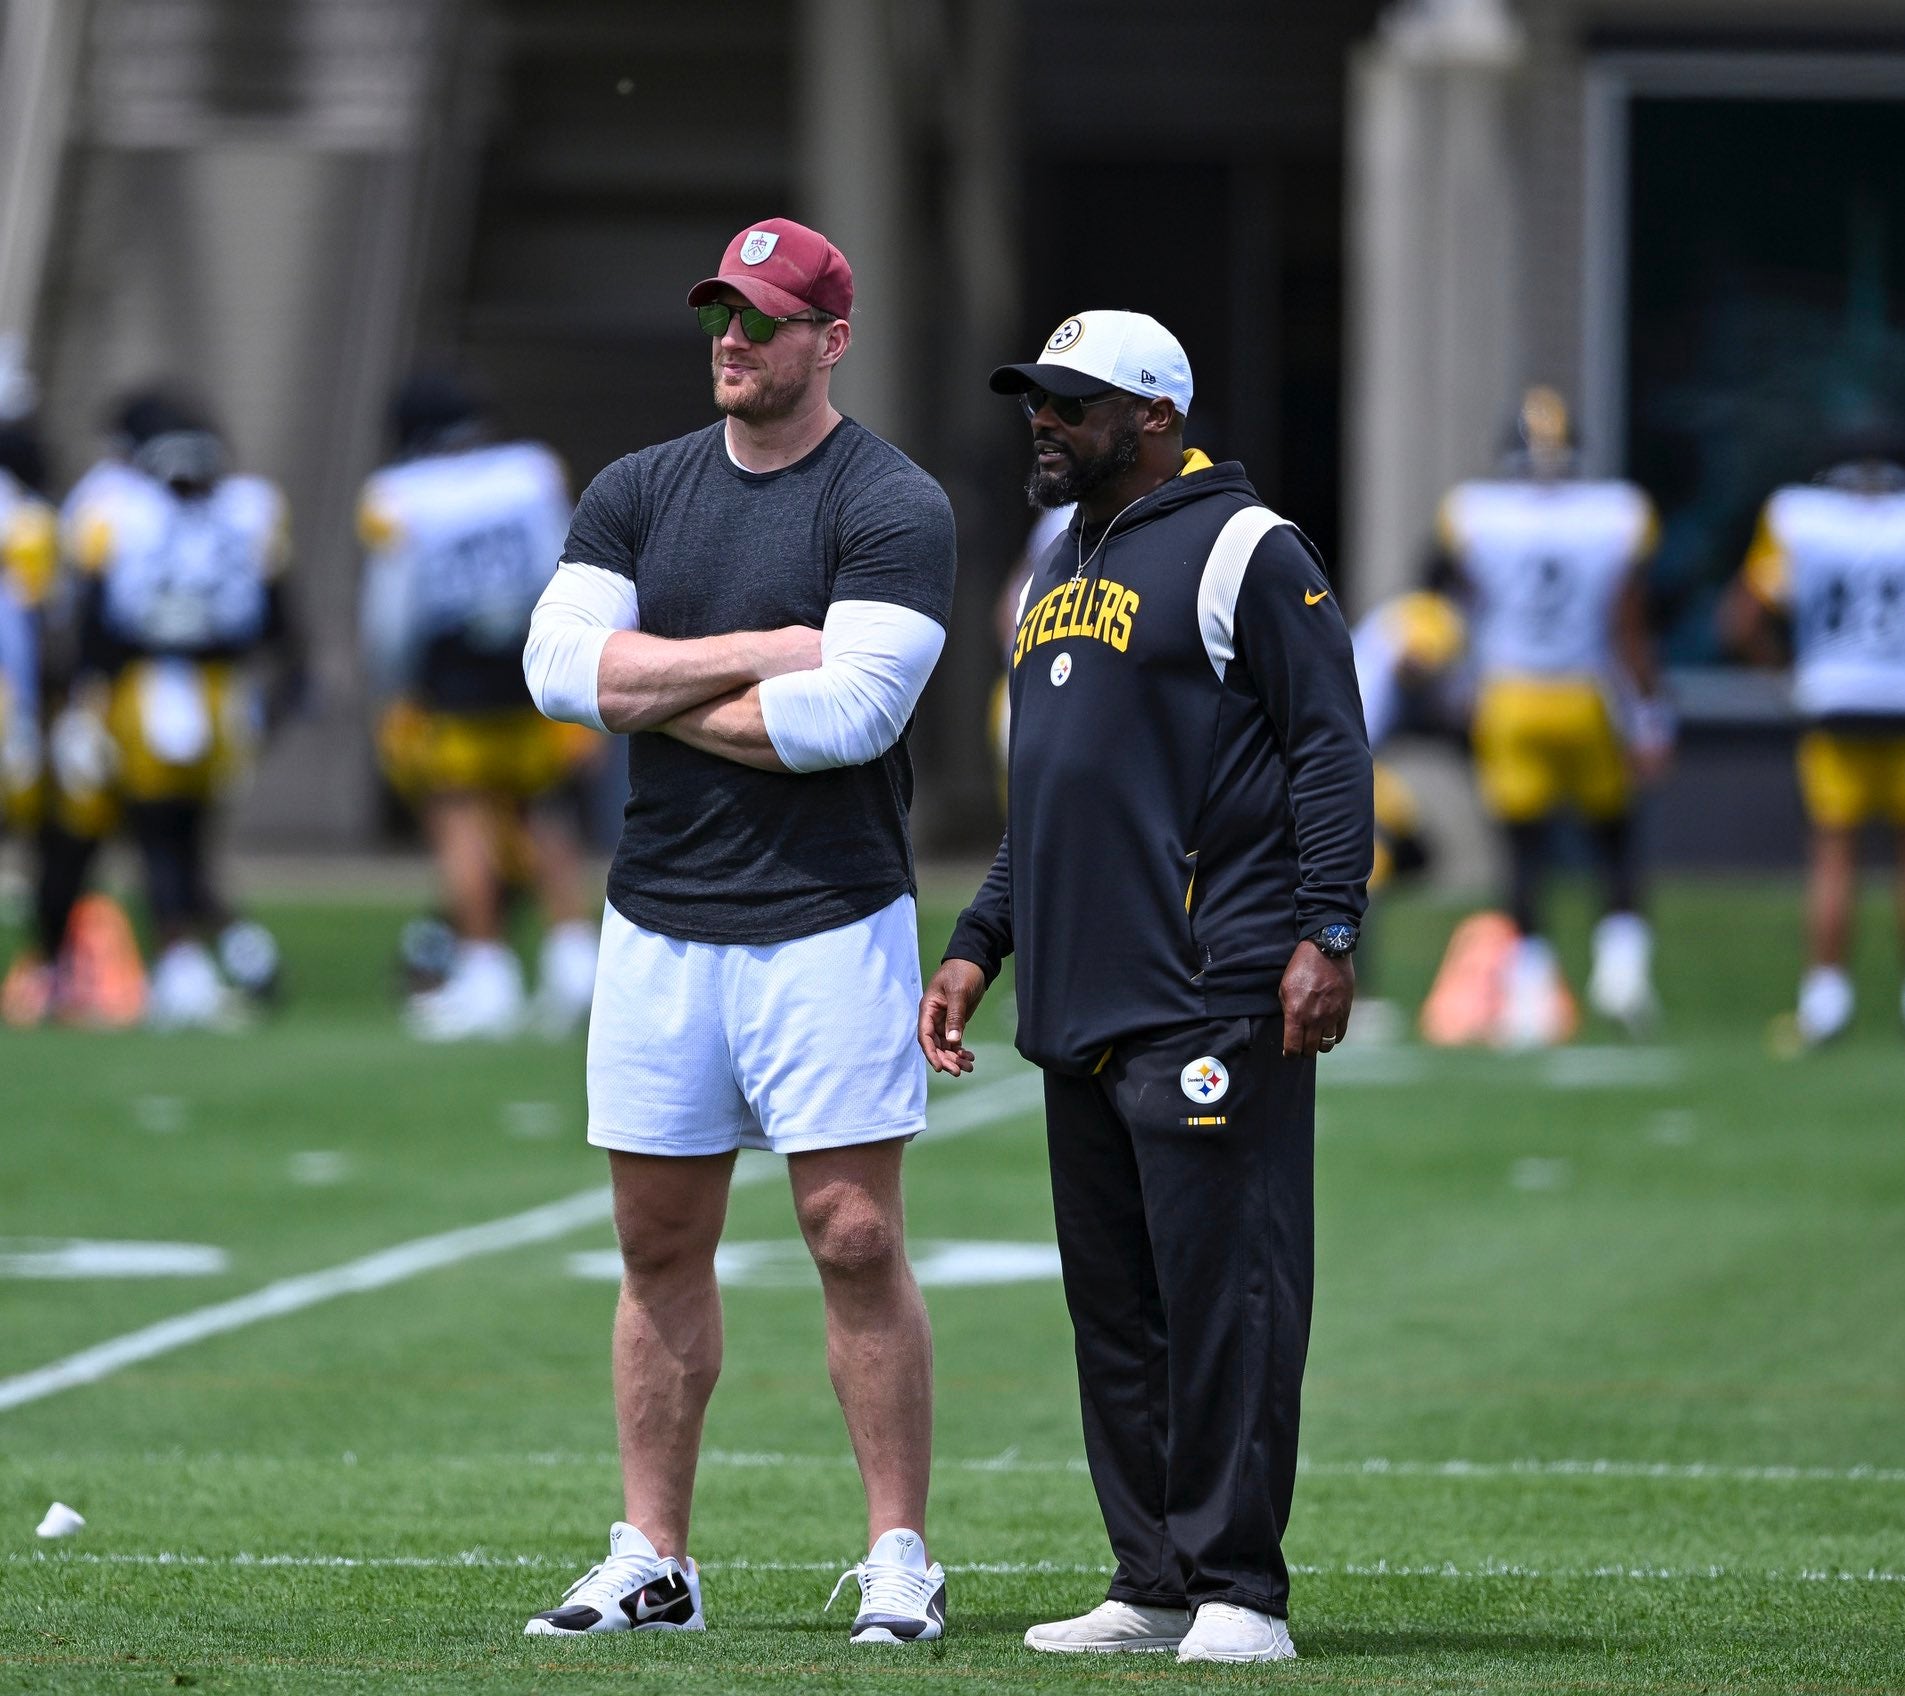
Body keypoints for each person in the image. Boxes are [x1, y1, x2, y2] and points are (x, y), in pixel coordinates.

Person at [519, 218, 957, 1644]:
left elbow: (851, 717)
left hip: (830, 915)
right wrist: (766, 650)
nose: (733, 338)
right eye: (722, 311)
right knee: (655, 1240)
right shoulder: (638, 488)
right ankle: (654, 1555)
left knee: (852, 1233)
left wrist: (642, 691)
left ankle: (898, 1552)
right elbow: (556, 673)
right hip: (658, 916)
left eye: (765, 318)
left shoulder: (891, 501)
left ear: (832, 340)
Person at [920, 310, 1373, 1664]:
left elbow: (1330, 746)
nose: (1044, 421)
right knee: (1116, 1312)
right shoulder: (1057, 562)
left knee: (1227, 1296)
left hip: (1209, 983)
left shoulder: (1248, 547)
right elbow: (1055, 795)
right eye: (1037, 400)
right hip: (1081, 994)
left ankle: (1241, 1593)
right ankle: (1154, 1579)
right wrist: (980, 941)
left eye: (1071, 402)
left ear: (1155, 417)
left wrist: (1327, 929)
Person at [358, 374, 600, 1040]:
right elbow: (563, 567)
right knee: (546, 815)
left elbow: (392, 614)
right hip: (528, 666)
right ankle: (574, 961)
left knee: (460, 819)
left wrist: (394, 685)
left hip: (454, 677)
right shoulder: (530, 473)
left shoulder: (399, 496)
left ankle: (485, 971)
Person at [1437, 385, 1672, 1045]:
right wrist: (1650, 714)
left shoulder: (1476, 513)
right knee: (1613, 837)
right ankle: (1621, 968)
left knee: (1523, 852)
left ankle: (1531, 994)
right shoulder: (1613, 514)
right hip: (1583, 693)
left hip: (1509, 696)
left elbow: (1453, 601)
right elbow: (1629, 623)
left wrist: (1458, 682)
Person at [60, 395, 302, 1028]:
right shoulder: (250, 507)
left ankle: (184, 963)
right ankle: (233, 950)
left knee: (157, 831)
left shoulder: (114, 507)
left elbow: (93, 617)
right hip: (223, 691)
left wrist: (85, 698)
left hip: (149, 686)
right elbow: (278, 618)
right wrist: (285, 691)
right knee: (188, 831)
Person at [1725, 429, 1905, 1045]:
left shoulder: (1802, 519)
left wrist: (1784, 674)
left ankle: (1826, 999)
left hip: (1834, 701)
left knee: (1833, 855)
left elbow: (1742, 618)